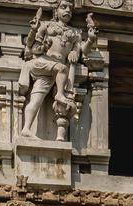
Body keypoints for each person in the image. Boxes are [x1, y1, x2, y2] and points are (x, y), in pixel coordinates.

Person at [20, 0, 97, 138]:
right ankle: (59, 94)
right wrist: (33, 30)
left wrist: (90, 39)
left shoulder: (75, 33)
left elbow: (82, 51)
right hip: (42, 62)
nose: (67, 10)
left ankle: (26, 129)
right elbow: (32, 46)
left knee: (36, 99)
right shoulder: (46, 25)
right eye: (63, 7)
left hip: (52, 73)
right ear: (56, 11)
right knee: (62, 68)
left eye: (70, 8)